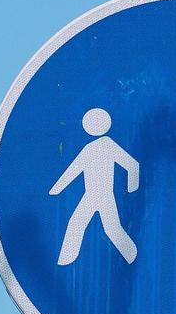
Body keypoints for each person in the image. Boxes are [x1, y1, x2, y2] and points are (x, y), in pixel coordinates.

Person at [49, 107, 140, 265]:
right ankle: (65, 261)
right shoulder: (89, 148)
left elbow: (132, 165)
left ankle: (132, 256)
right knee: (79, 223)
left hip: (103, 195)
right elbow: (74, 170)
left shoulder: (108, 145)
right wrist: (56, 189)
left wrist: (132, 188)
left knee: (110, 229)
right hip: (91, 195)